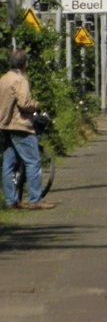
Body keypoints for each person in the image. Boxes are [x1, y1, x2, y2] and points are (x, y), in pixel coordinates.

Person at [0, 49, 55, 210]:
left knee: (8, 164)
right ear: (25, 64)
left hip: (5, 124)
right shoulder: (20, 80)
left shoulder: (3, 79)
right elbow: (25, 103)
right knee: (33, 162)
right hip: (21, 125)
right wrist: (36, 104)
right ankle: (35, 199)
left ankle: (11, 200)